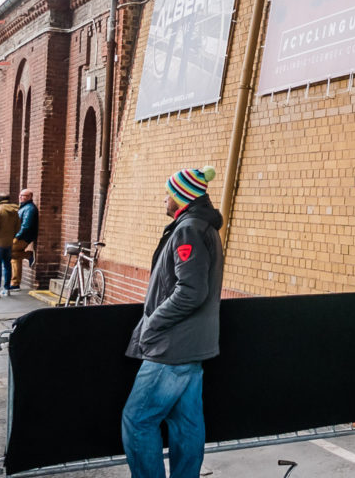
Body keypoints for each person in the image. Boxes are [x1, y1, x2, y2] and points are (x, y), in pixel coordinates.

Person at [122, 166, 224, 478]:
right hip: (192, 346)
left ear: (181, 197)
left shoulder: (188, 230)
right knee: (186, 425)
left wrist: (152, 323)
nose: (164, 199)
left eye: (169, 193)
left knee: (137, 420)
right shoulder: (202, 227)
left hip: (172, 347)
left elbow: (191, 291)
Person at [9, 188, 39, 291]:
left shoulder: (30, 209)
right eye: (20, 195)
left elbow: (26, 226)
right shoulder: (23, 207)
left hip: (23, 237)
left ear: (30, 197)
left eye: (24, 196)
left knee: (10, 252)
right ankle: (15, 283)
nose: (20, 197)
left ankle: (28, 254)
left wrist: (17, 236)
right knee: (15, 258)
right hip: (19, 235)